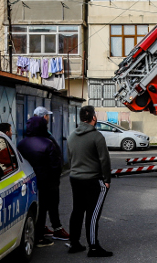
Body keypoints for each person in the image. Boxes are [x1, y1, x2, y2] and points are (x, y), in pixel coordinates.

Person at [67, 105, 113, 257]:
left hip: (75, 178)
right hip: (93, 179)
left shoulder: (72, 136)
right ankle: (93, 247)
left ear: (81, 118)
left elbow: (70, 158)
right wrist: (106, 180)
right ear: (93, 117)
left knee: (77, 210)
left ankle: (74, 243)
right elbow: (104, 160)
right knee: (93, 214)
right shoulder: (97, 136)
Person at [17, 115, 69, 248]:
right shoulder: (48, 143)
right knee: (46, 207)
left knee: (33, 208)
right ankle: (41, 236)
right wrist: (55, 179)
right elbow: (55, 165)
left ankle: (37, 232)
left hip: (28, 181)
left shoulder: (21, 144)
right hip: (47, 181)